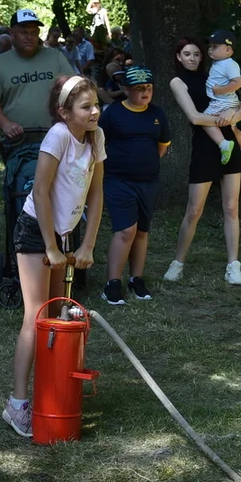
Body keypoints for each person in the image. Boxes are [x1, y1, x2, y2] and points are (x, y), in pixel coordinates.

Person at [4, 75, 105, 438]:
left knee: (52, 315)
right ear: (64, 112)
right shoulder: (58, 136)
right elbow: (41, 192)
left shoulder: (95, 136)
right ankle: (17, 405)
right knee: (37, 315)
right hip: (36, 228)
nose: (95, 111)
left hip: (63, 232)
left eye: (96, 104)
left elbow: (96, 195)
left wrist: (87, 245)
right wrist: (49, 245)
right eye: (86, 107)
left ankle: (47, 394)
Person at [163, 37, 241, 286]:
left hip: (230, 142)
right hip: (204, 146)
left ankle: (234, 265)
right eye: (187, 54)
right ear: (179, 57)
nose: (192, 58)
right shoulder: (178, 82)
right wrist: (225, 119)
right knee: (194, 210)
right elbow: (195, 118)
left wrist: (235, 113)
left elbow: (239, 104)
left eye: (197, 54)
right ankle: (178, 262)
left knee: (231, 208)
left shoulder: (215, 74)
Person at [98, 66, 169, 305]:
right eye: (139, 89)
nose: (145, 92)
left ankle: (136, 278)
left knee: (142, 231)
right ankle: (112, 283)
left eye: (148, 88)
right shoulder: (113, 114)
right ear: (126, 90)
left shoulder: (157, 114)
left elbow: (161, 146)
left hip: (148, 182)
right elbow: (99, 144)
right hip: (118, 180)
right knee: (125, 230)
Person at [0, 8, 75, 140]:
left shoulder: (55, 56)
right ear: (12, 33)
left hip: (57, 136)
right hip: (18, 140)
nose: (29, 37)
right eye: (24, 32)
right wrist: (5, 124)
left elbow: (74, 89)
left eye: (33, 32)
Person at [202, 29, 241, 163]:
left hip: (222, 101)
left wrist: (220, 90)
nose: (210, 49)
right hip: (225, 101)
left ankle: (223, 143)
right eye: (210, 46)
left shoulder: (230, 64)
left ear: (228, 50)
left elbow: (237, 83)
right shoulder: (219, 63)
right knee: (233, 127)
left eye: (215, 46)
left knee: (205, 120)